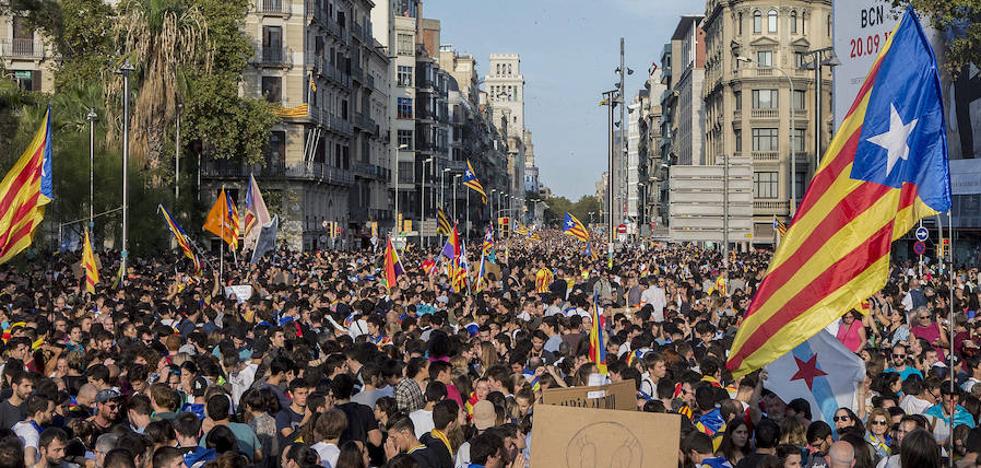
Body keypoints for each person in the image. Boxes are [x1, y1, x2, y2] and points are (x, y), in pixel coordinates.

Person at [14, 395, 53, 466]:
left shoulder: (18, 425)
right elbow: (29, 461)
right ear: (39, 413)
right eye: (51, 412)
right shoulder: (32, 433)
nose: (54, 414)